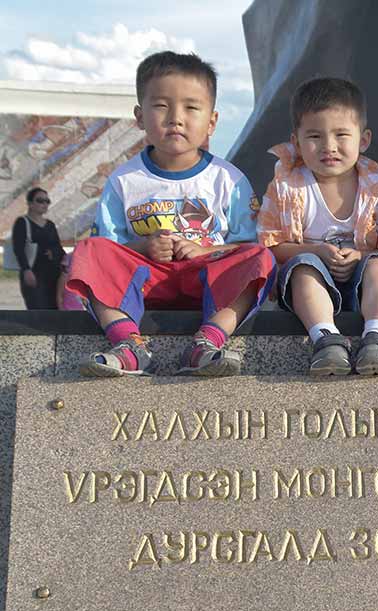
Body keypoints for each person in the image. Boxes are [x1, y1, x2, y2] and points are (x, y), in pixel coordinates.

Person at [67, 51, 275, 377]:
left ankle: (207, 342)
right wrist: (145, 248)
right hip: (149, 280)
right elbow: (109, 247)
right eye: (161, 106)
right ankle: (128, 345)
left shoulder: (228, 179)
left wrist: (206, 250)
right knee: (87, 251)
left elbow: (246, 244)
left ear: (212, 120)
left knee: (261, 257)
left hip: (206, 278)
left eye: (191, 107)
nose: (176, 118)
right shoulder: (124, 180)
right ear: (139, 116)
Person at [257, 77, 378, 376]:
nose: (329, 146)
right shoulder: (285, 185)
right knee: (303, 268)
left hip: (361, 281)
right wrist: (316, 250)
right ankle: (325, 339)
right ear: (297, 141)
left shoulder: (377, 185)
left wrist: (361, 255)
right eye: (315, 136)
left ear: (362, 140)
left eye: (341, 135)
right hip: (309, 287)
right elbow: (269, 247)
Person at [11, 187, 65, 309]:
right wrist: (26, 270)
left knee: (53, 310)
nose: (44, 204)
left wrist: (53, 253)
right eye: (40, 200)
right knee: (37, 308)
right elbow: (18, 248)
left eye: (47, 201)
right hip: (34, 273)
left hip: (53, 275)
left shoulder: (50, 225)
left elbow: (58, 247)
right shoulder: (22, 222)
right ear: (30, 203)